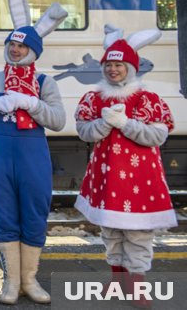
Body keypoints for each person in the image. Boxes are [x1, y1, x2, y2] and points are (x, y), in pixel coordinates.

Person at [0, 0, 67, 305]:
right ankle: (10, 282)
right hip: (0, 155)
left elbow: (58, 120)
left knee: (35, 214)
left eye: (22, 47)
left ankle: (30, 280)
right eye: (13, 44)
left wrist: (32, 104)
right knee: (4, 215)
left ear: (33, 51)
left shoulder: (44, 82)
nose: (15, 50)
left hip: (32, 155)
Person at [74, 25, 177, 309]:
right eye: (109, 64)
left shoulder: (149, 100)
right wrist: (104, 123)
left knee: (139, 233)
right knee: (112, 231)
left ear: (131, 67)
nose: (113, 69)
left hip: (140, 178)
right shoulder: (94, 99)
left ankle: (137, 285)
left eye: (119, 64)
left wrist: (124, 124)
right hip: (107, 176)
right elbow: (84, 132)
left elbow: (157, 136)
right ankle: (117, 282)